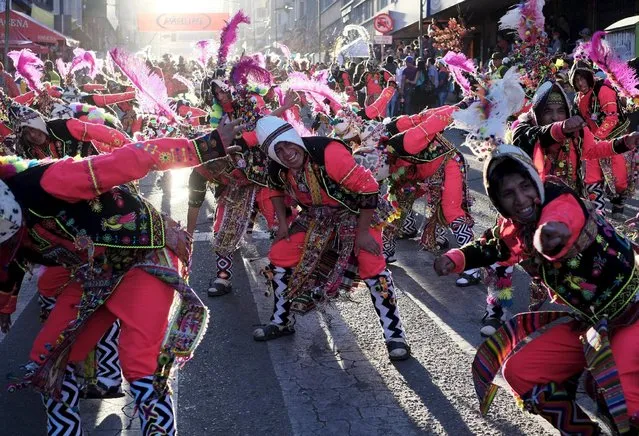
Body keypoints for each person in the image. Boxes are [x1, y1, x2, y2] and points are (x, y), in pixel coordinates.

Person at [0, 120, 243, 435]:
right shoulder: (10, 233)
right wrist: (6, 306)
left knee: (139, 361)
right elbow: (11, 261)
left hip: (142, 255)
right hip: (93, 273)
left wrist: (203, 146)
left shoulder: (51, 181)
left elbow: (132, 158)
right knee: (48, 359)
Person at [434, 143, 639, 435]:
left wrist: (549, 233)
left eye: (524, 185)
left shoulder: (556, 194)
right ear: (497, 201)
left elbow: (561, 217)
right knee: (521, 371)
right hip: (594, 325)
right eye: (508, 194)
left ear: (535, 179)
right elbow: (493, 246)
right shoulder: (514, 228)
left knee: (617, 395)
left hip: (633, 312)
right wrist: (455, 258)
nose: (520, 199)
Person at [253, 116, 411, 361]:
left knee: (372, 264)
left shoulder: (327, 152)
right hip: (319, 216)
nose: (286, 153)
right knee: (279, 255)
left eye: (287, 144)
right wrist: (283, 225)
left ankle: (394, 334)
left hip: (359, 212)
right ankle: (282, 321)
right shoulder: (276, 166)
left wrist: (361, 234)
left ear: (294, 137)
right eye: (278, 150)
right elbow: (273, 188)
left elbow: (368, 187)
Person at [569, 60, 632, 219]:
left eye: (583, 78)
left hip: (613, 140)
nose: (580, 83)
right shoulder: (578, 97)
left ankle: (618, 205)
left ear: (590, 77)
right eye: (576, 80)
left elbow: (612, 118)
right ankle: (599, 215)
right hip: (592, 144)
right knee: (591, 177)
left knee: (619, 179)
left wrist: (597, 138)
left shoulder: (603, 90)